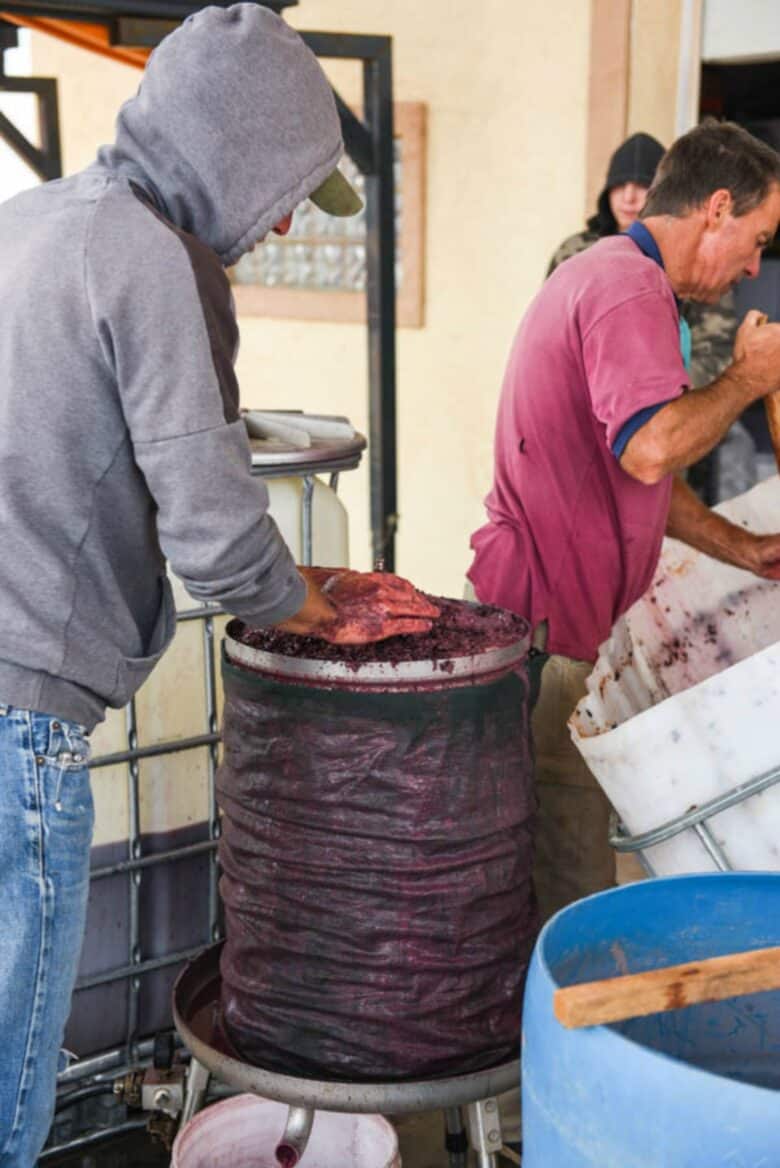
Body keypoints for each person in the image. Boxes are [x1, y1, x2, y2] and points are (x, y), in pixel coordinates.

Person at [0, 6, 435, 1164]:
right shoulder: (149, 258)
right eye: (286, 185)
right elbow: (218, 541)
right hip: (21, 725)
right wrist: (317, 606)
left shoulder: (35, 220)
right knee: (6, 1093)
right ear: (232, 147)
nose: (286, 217)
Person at [468, 120, 780, 927]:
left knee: (568, 870)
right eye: (757, 239)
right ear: (716, 209)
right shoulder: (624, 286)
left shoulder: (631, 285)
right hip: (544, 634)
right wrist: (748, 378)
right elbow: (650, 449)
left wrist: (740, 547)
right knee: (569, 894)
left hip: (559, 629)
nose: (755, 265)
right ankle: (557, 1049)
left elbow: (641, 472)